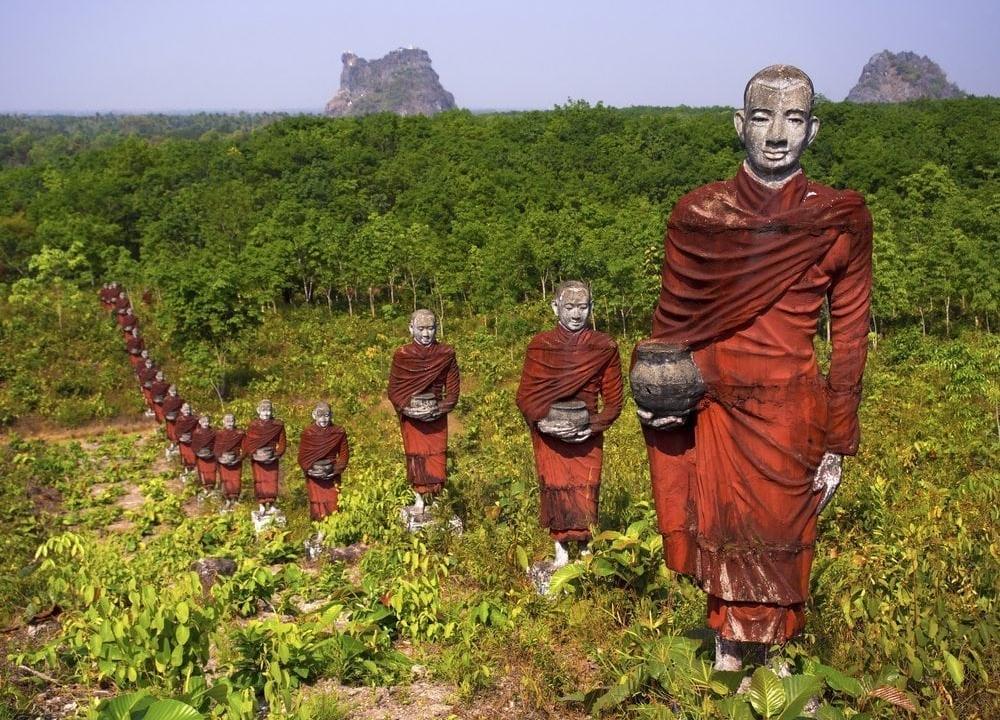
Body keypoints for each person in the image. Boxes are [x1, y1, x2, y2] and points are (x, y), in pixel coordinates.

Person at [635, 65, 872, 670]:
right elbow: (672, 326)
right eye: (762, 116)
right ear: (739, 124)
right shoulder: (698, 216)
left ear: (812, 130)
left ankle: (777, 667)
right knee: (717, 527)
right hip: (710, 404)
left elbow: (848, 339)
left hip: (791, 411)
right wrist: (656, 398)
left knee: (781, 538)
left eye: (793, 118)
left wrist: (838, 439)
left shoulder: (840, 218)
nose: (776, 133)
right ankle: (726, 655)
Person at [516, 281, 624, 567]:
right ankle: (561, 553)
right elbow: (525, 396)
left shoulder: (604, 346)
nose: (576, 314)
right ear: (555, 308)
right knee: (555, 487)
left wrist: (593, 425)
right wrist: (542, 423)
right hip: (550, 433)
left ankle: (588, 554)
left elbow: (614, 400)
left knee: (586, 489)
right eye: (569, 307)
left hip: (585, 432)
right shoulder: (541, 345)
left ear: (592, 308)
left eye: (583, 307)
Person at [387, 309, 460, 511]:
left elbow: (453, 392)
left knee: (437, 456)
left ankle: (435, 500)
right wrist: (408, 409)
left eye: (431, 328)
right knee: (416, 456)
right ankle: (419, 499)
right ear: (411, 329)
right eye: (421, 329)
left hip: (435, 415)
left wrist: (439, 408)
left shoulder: (446, 354)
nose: (426, 334)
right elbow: (394, 391)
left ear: (437, 328)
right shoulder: (403, 355)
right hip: (413, 417)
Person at [297, 402, 350, 520]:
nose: (323, 419)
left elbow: (344, 455)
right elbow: (302, 457)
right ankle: (319, 531)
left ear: (331, 415)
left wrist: (336, 470)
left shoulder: (338, 432)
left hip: (331, 473)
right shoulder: (308, 433)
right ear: (314, 415)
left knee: (333, 502)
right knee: (317, 503)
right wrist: (310, 470)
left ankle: (334, 529)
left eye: (326, 415)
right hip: (314, 474)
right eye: (320, 416)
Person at [242, 399, 287, 514]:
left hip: (271, 457)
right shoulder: (253, 425)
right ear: (258, 411)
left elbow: (282, 442)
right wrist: (253, 453)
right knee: (260, 481)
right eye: (263, 410)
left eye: (269, 410)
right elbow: (248, 442)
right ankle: (261, 504)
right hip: (258, 458)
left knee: (272, 480)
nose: (266, 413)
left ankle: (272, 504)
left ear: (272, 411)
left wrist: (277, 454)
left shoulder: (278, 425)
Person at [214, 414, 246, 510]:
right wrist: (219, 458)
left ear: (235, 422)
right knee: (225, 480)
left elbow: (245, 448)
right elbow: (216, 448)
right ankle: (227, 500)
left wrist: (240, 458)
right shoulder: (219, 433)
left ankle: (235, 500)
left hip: (235, 460)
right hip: (223, 460)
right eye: (227, 421)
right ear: (223, 422)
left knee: (236, 480)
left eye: (231, 421)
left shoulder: (240, 433)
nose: (229, 423)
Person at [191, 415, 218, 493]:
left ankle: (212, 487)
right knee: (203, 471)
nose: (206, 424)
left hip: (211, 455)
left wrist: (214, 452)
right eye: (204, 422)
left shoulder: (213, 432)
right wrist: (198, 452)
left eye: (207, 422)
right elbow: (194, 444)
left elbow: (216, 443)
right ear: (200, 422)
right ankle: (205, 487)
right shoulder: (197, 432)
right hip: (201, 456)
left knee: (212, 471)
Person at [175, 403, 199, 477]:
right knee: (185, 456)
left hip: (192, 441)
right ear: (182, 410)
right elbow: (177, 430)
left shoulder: (194, 419)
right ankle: (186, 470)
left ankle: (193, 471)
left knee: (192, 456)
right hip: (183, 442)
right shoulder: (179, 419)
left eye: (188, 410)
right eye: (185, 410)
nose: (187, 411)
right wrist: (180, 438)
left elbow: (197, 429)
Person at [161, 385, 184, 456]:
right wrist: (167, 416)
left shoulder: (180, 399)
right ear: (169, 391)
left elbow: (182, 408)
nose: (174, 392)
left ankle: (177, 445)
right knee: (172, 433)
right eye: (172, 391)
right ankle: (172, 445)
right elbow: (164, 410)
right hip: (170, 420)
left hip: (178, 419)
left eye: (175, 391)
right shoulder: (166, 399)